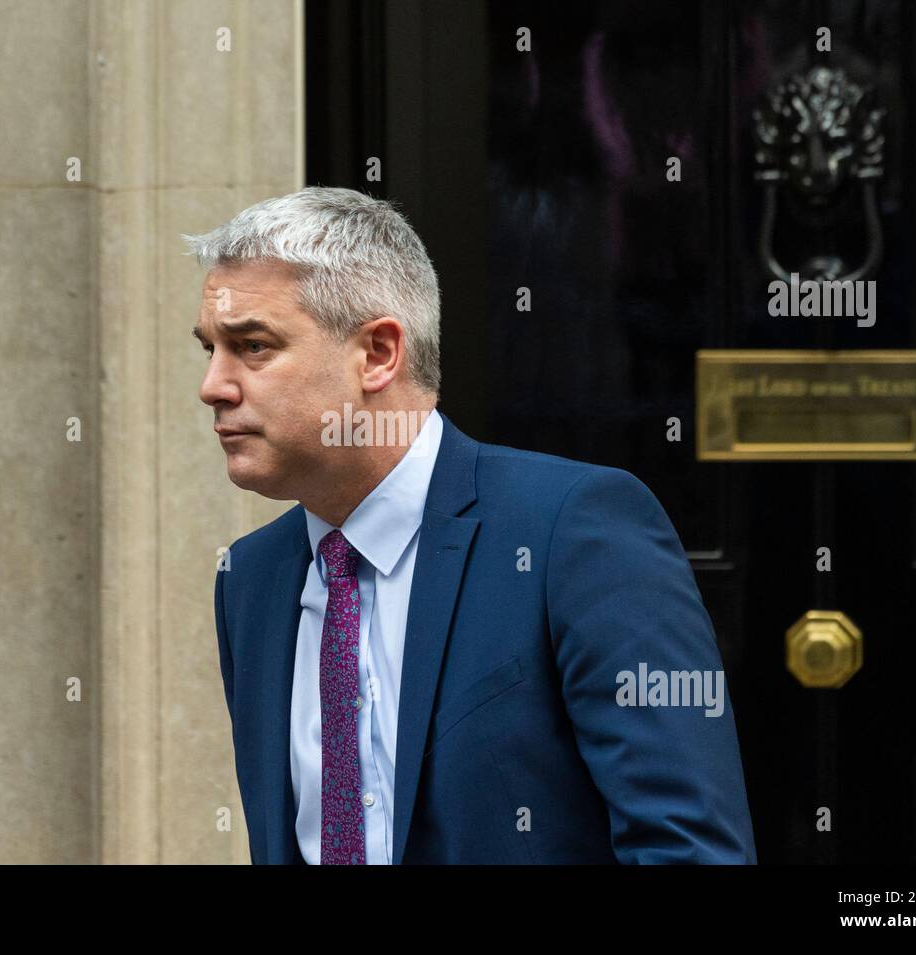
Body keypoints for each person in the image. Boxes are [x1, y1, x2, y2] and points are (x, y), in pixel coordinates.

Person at [185, 186, 757, 864]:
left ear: (377, 353)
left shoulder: (572, 532)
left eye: (252, 346)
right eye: (210, 349)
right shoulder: (250, 579)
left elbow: (689, 850)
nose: (214, 385)